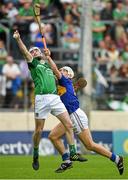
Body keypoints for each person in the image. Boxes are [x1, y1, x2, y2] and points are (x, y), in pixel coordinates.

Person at [13, 30, 85, 172]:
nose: (33, 52)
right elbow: (24, 52)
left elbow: (61, 79)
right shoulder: (33, 64)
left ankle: (71, 154)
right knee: (39, 130)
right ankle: (35, 152)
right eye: (32, 51)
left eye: (35, 51)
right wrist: (18, 39)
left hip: (55, 99)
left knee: (69, 125)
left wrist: (49, 56)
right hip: (41, 99)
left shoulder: (49, 68)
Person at [43, 48, 124, 175]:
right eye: (61, 69)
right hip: (68, 116)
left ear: (69, 75)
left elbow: (53, 69)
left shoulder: (65, 80)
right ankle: (66, 161)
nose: (60, 71)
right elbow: (50, 73)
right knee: (53, 136)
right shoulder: (61, 83)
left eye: (64, 70)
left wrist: (48, 57)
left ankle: (116, 158)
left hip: (75, 115)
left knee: (89, 145)